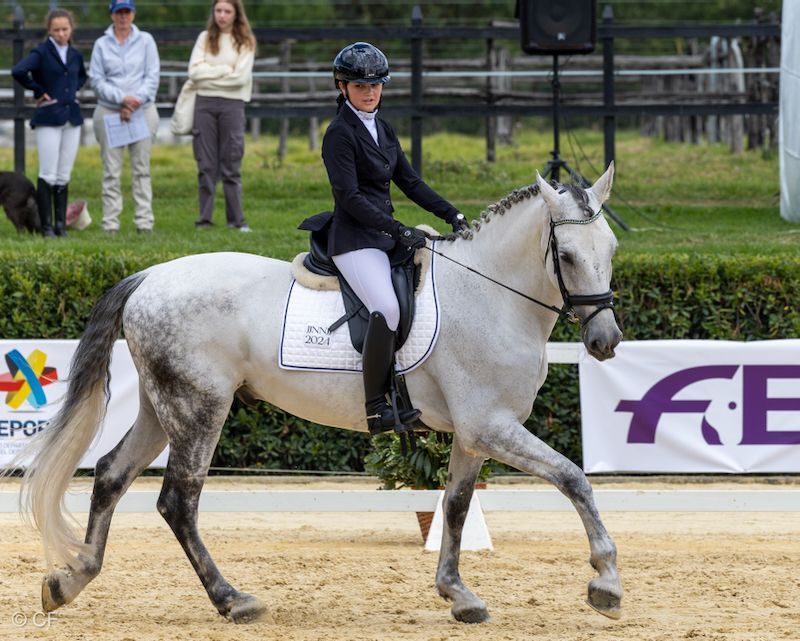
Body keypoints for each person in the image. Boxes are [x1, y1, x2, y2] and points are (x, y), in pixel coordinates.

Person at [321, 42, 469, 435]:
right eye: (359, 86)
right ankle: (375, 407)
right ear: (342, 86)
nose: (369, 93)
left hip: (383, 236)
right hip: (354, 239)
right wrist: (399, 230)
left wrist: (451, 213)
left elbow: (410, 181)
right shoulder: (339, 134)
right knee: (386, 307)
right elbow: (349, 198)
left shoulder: (382, 128)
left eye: (375, 86)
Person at [11, 8, 87, 238]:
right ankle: (46, 226)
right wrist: (38, 91)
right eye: (56, 30)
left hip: (71, 117)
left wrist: (70, 93)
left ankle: (61, 226)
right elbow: (20, 70)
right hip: (48, 117)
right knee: (48, 172)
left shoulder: (74, 54)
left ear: (71, 29)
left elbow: (81, 76)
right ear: (50, 31)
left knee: (64, 173)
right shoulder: (42, 52)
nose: (61, 33)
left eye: (65, 29)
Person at [88, 0, 160, 234]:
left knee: (141, 168)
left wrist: (134, 101)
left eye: (127, 12)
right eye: (119, 12)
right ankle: (110, 223)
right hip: (110, 110)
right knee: (111, 170)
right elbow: (97, 80)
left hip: (142, 109)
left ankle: (144, 222)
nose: (123, 16)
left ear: (133, 13)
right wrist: (122, 99)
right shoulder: (101, 44)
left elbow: (152, 76)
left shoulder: (146, 41)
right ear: (111, 15)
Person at [188, 0, 256, 232]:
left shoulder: (245, 42)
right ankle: (204, 220)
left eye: (227, 11)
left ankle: (236, 220)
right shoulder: (204, 38)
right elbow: (194, 73)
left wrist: (209, 74)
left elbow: (241, 78)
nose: (222, 15)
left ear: (236, 14)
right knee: (206, 164)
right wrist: (224, 70)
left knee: (231, 163)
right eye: (218, 10)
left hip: (233, 105)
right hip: (204, 104)